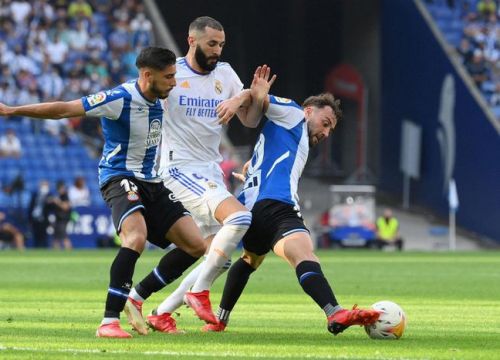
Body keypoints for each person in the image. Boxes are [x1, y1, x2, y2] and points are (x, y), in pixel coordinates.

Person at [0, 46, 207, 338]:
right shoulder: (118, 99)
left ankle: (137, 296)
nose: (174, 82)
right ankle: (109, 321)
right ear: (148, 75)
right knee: (135, 238)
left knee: (196, 245)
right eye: (169, 77)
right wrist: (12, 109)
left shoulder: (163, 96)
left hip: (152, 182)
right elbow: (64, 109)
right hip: (119, 176)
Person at [202, 71, 380, 335]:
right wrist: (246, 96)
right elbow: (259, 98)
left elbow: (262, 160)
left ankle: (220, 319)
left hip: (252, 209)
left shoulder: (290, 137)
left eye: (331, 128)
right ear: (309, 111)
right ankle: (335, 312)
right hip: (276, 206)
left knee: (250, 259)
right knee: (304, 255)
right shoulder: (295, 114)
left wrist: (251, 171)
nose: (327, 132)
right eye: (326, 122)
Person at [125, 16, 260, 333]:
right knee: (239, 220)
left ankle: (151, 306)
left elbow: (250, 120)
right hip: (178, 168)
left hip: (210, 171)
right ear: (192, 41)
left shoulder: (225, 75)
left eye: (221, 44)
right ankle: (198, 292)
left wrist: (243, 96)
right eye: (211, 43)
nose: (217, 50)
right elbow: (142, 95)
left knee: (216, 254)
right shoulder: (173, 75)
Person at [48, 180, 73, 250]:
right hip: (58, 218)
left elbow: (66, 207)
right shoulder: (60, 195)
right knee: (56, 237)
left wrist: (57, 202)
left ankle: (69, 251)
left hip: (63, 219)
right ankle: (56, 252)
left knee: (63, 237)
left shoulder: (65, 195)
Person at [28, 180, 51, 248]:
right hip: (35, 218)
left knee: (44, 236)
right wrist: (30, 218)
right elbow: (31, 207)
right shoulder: (35, 195)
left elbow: (51, 208)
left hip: (44, 219)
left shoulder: (50, 196)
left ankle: (45, 249)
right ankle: (36, 249)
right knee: (36, 236)